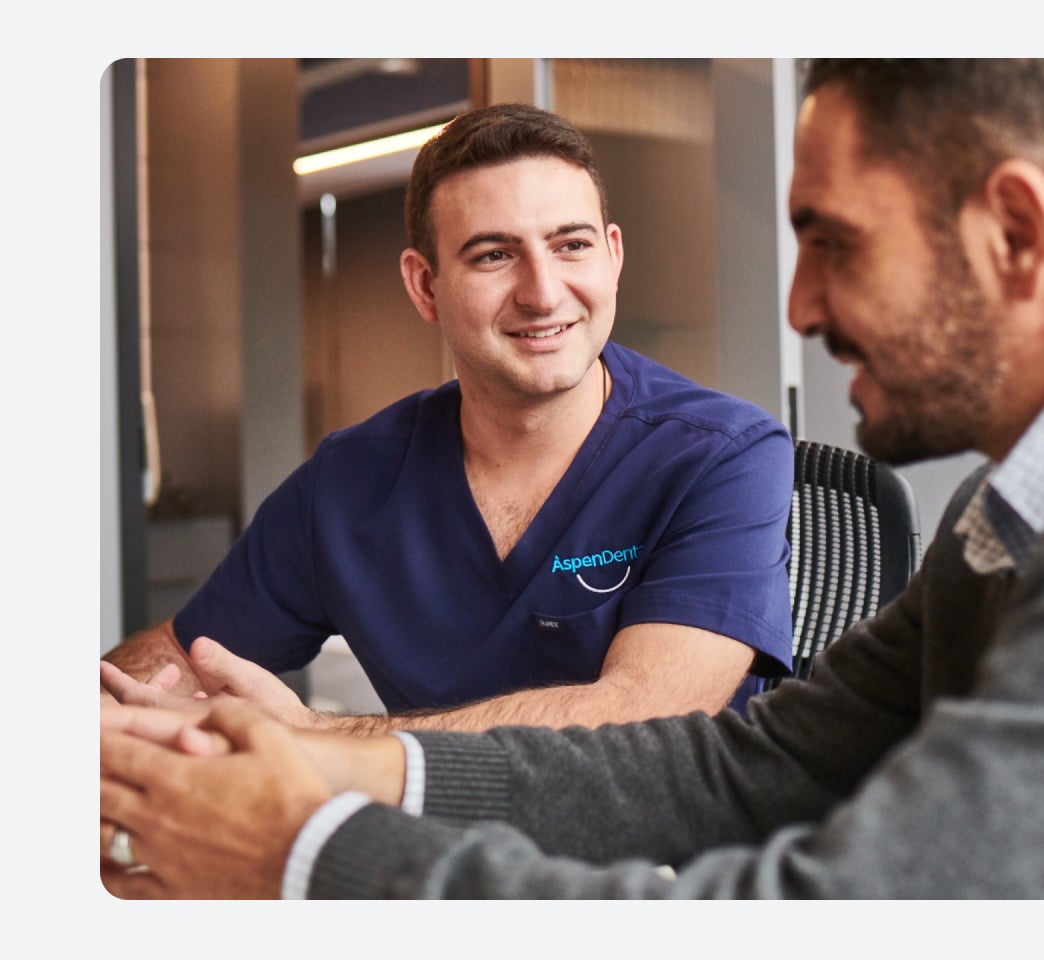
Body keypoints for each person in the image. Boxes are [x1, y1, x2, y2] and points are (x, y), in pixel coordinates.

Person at [100, 59, 1044, 898]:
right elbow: (754, 768)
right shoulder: (1008, 509)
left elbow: (854, 911)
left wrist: (310, 848)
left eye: (834, 243)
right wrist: (346, 764)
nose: (799, 305)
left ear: (1015, 234)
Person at [100, 102, 796, 732]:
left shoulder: (721, 454)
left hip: (659, 865)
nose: (543, 291)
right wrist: (111, 706)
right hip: (424, 854)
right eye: (495, 254)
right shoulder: (350, 480)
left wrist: (320, 738)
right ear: (425, 285)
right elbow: (184, 655)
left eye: (571, 245)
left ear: (613, 257)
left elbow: (641, 720)